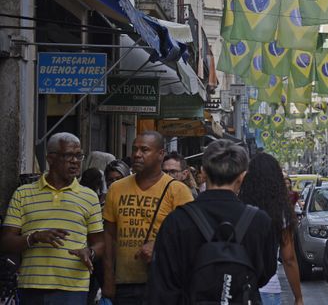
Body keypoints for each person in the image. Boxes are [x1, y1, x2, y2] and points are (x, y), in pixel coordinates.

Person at [147, 140, 277, 304]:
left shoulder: (177, 220)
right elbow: (265, 272)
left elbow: (162, 283)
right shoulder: (260, 222)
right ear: (242, 176)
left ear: (203, 172)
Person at [0, 133, 104, 305]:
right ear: (51, 158)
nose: (75, 161)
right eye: (68, 155)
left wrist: (90, 252)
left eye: (79, 155)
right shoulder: (23, 194)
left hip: (73, 289)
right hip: (31, 287)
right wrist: (34, 238)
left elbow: (100, 244)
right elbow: (5, 242)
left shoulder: (89, 197)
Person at [102, 131, 194, 304]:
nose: (137, 155)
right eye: (134, 149)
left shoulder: (178, 191)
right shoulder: (116, 188)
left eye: (144, 150)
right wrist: (109, 277)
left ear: (161, 154)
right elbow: (109, 236)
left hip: (163, 283)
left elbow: (190, 239)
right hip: (124, 285)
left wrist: (159, 247)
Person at [240, 153, 304, 305]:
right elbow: (288, 258)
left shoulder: (239, 205)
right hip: (268, 285)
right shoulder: (279, 211)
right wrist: (298, 297)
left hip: (239, 285)